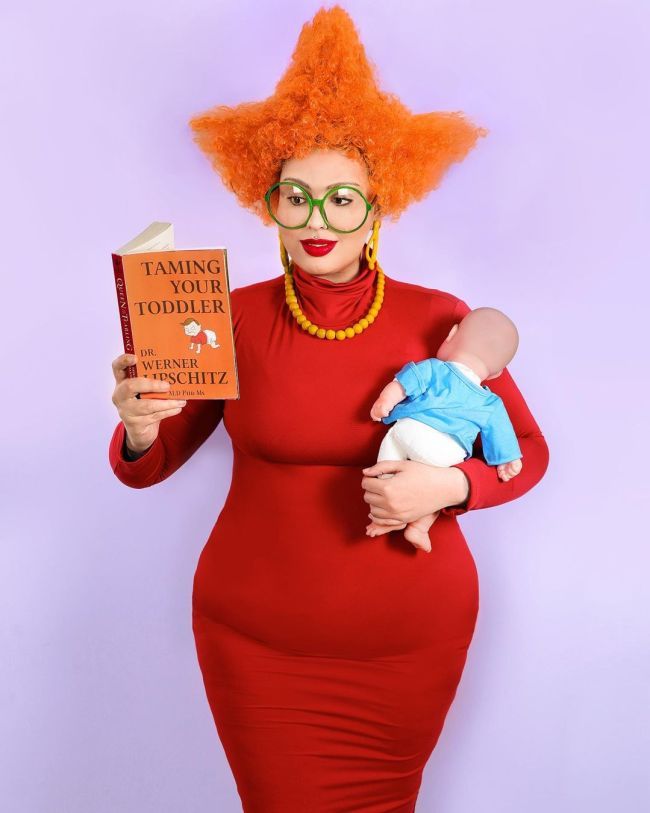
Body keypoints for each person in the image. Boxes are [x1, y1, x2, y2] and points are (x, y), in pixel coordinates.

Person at [108, 6, 550, 811]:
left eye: (342, 198)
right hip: (258, 647)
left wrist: (452, 490)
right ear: (266, 199)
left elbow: (526, 449)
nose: (317, 221)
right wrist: (141, 428)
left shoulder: (437, 316)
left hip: (408, 647)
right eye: (296, 197)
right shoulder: (228, 314)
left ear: (378, 204)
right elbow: (152, 463)